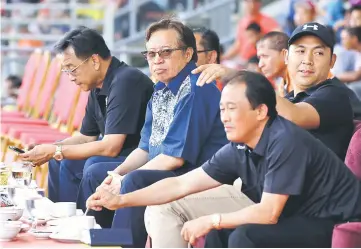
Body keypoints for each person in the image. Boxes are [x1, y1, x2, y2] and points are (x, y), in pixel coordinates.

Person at [87, 70, 361, 248]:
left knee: (244, 235)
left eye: (232, 109)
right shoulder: (239, 145)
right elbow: (181, 186)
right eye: (222, 109)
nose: (225, 117)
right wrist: (121, 199)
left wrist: (212, 218)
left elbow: (268, 213)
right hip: (298, 216)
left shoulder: (285, 140)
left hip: (338, 223)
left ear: (261, 111)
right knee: (220, 235)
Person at [88, 18, 228, 243]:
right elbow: (145, 148)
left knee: (136, 181)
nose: (157, 60)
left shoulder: (194, 88)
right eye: (151, 54)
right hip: (171, 169)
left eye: (165, 52)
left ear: (187, 53)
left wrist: (125, 179)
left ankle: (121, 244)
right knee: (99, 173)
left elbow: (174, 159)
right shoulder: (161, 88)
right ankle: (97, 239)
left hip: (199, 176)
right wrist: (117, 174)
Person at [19, 27, 154, 204]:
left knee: (80, 163)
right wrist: (49, 148)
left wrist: (56, 151)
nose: (70, 77)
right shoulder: (97, 86)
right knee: (57, 160)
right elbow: (86, 137)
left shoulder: (126, 81)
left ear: (95, 61)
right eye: (66, 71)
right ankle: (60, 219)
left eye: (72, 69)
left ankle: (83, 224)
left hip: (139, 158)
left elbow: (110, 147)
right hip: (118, 155)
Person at [191, 22, 356, 160]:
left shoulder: (336, 95)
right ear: (286, 57)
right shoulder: (291, 97)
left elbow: (294, 116)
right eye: (300, 51)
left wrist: (237, 75)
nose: (308, 60)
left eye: (319, 53)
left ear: (332, 61)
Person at [222, 0, 279, 65]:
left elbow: (278, 39)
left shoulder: (268, 21)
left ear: (259, 3)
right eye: (249, 1)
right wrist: (224, 57)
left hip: (259, 62)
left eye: (255, 1)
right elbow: (238, 45)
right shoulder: (242, 22)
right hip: (244, 62)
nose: (252, 4)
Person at [256, 31, 290, 96]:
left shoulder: (304, 82)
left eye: (265, 56)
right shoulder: (282, 86)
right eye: (259, 58)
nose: (260, 65)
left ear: (284, 54)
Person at [337, 26, 361, 99]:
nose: (342, 42)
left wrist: (332, 77)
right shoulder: (356, 53)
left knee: (351, 88)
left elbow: (356, 76)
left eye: (344, 39)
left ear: (354, 39)